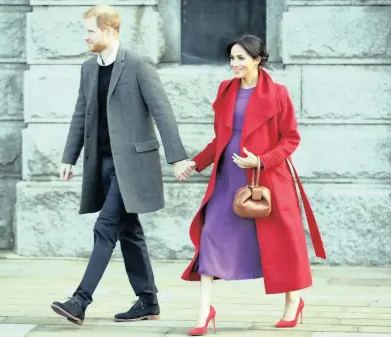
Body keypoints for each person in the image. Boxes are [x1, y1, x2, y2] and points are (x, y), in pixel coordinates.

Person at [51, 4, 192, 326]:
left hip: (132, 165)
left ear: (108, 30)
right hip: (100, 164)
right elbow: (80, 115)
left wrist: (177, 157)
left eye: (90, 31)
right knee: (128, 232)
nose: (85, 37)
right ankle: (148, 301)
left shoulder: (138, 65)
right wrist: (68, 157)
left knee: (105, 227)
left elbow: (163, 111)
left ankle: (80, 300)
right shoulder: (88, 69)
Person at [178, 35, 326, 336]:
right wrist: (196, 162)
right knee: (210, 238)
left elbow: (291, 139)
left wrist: (261, 160)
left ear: (257, 59)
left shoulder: (279, 93)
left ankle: (293, 302)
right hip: (227, 180)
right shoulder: (225, 90)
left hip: (268, 181)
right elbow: (220, 139)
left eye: (241, 58)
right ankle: (204, 314)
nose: (234, 64)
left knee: (282, 244)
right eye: (231, 58)